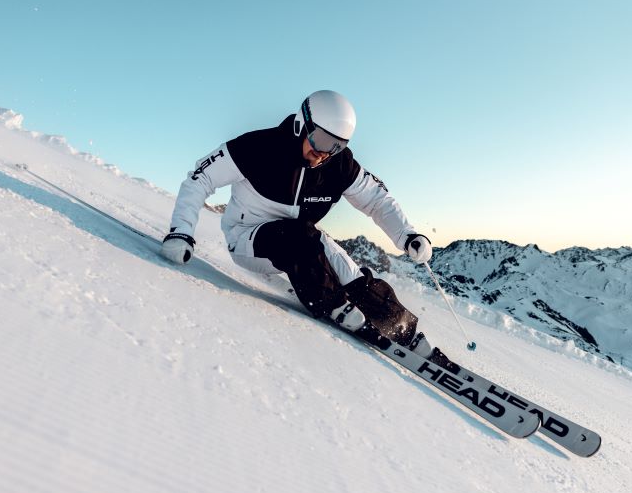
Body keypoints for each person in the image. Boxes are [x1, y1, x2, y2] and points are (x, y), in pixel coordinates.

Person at [160, 90, 455, 369]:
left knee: (350, 272)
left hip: (304, 239)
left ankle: (405, 332)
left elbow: (377, 200)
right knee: (297, 239)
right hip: (248, 238)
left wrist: (407, 235)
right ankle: (335, 306)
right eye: (322, 140)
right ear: (302, 124)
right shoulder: (257, 147)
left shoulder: (339, 165)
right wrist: (181, 231)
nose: (324, 153)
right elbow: (200, 178)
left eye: (337, 146)